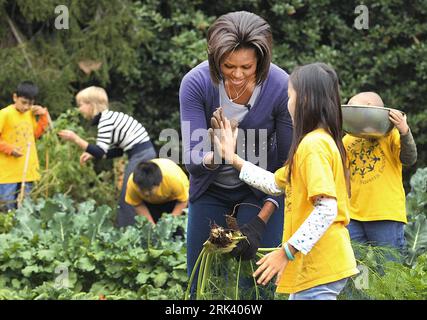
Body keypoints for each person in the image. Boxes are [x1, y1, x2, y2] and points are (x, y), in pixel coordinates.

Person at [212, 62, 359, 300]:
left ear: (305, 99)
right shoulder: (315, 143)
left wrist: (286, 252)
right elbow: (274, 184)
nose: (287, 102)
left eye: (290, 96)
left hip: (319, 264)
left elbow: (326, 209)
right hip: (314, 265)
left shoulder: (314, 146)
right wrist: (232, 158)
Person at [179, 11, 293, 295]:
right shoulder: (195, 83)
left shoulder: (280, 87)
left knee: (259, 284)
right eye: (229, 66)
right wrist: (217, 155)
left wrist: (261, 219)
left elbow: (287, 166)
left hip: (259, 192)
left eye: (247, 67)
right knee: (201, 282)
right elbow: (191, 158)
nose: (238, 75)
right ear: (215, 61)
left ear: (261, 62)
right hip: (210, 190)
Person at [58, 86, 157, 227]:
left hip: (140, 155)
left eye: (80, 105)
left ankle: (126, 234)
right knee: (137, 196)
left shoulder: (106, 120)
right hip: (142, 153)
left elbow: (100, 152)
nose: (79, 110)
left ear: (91, 104)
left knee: (127, 199)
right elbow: (116, 152)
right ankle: (144, 230)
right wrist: (92, 154)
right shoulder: (109, 117)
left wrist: (76, 139)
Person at [343, 92, 417, 257]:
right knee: (355, 271)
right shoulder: (348, 140)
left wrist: (405, 132)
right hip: (354, 216)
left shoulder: (391, 135)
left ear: (370, 109)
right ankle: (361, 285)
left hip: (385, 214)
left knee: (388, 269)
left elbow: (409, 158)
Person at [0, 81, 50, 211]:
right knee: (7, 207)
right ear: (15, 97)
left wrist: (43, 116)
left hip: (27, 169)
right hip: (7, 173)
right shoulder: (4, 114)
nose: (27, 107)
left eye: (30, 103)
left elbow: (35, 134)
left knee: (25, 209)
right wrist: (10, 149)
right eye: (24, 102)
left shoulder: (29, 114)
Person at [124, 158, 189, 225]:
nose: (146, 193)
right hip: (150, 203)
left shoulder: (173, 179)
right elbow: (137, 204)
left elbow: (183, 201)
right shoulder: (132, 184)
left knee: (176, 229)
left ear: (159, 184)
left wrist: (170, 223)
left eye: (149, 190)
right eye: (142, 190)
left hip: (175, 200)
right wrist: (151, 226)